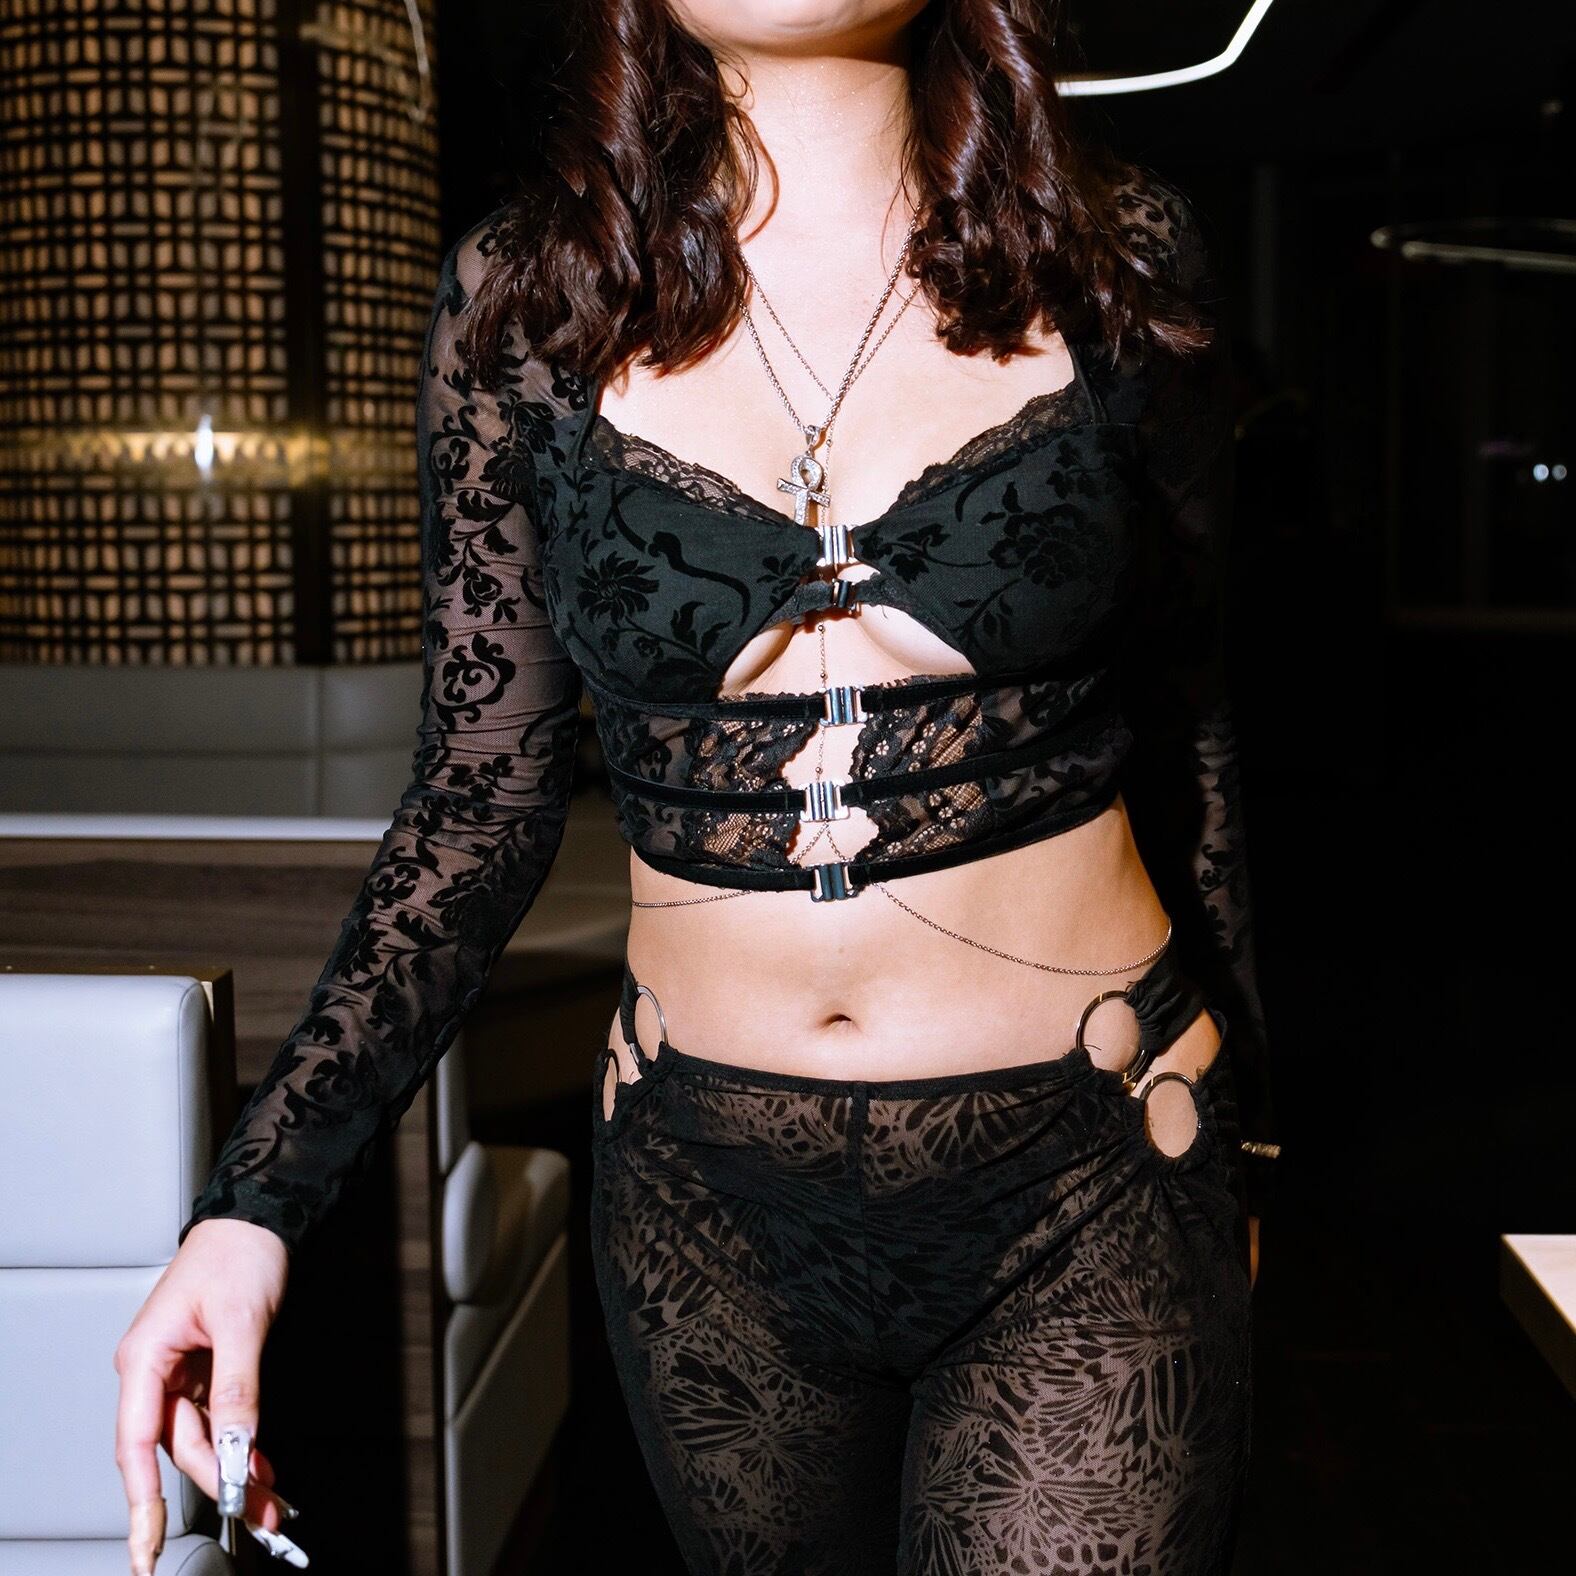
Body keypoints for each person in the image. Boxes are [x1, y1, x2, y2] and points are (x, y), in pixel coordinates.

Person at [114, 1, 1281, 1571]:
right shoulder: (526, 300)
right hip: (703, 1214)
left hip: (1094, 1171)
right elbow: (478, 799)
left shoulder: (1111, 251)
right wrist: (251, 1209)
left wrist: (1255, 1136)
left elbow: (1195, 720)